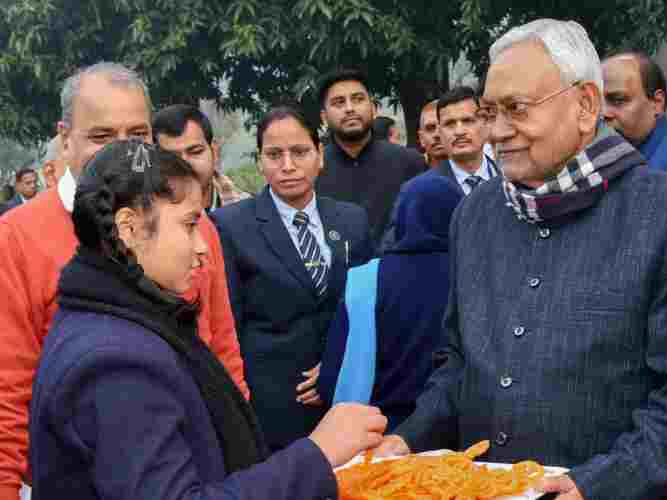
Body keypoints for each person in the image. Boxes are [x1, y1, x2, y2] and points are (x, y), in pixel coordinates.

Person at [376, 18, 667, 500]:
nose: (496, 132)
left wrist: (596, 484)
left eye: (516, 109)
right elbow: (458, 364)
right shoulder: (475, 215)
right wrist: (407, 439)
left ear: (585, 106)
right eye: (489, 111)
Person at [29, 139, 387, 500]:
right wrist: (318, 454)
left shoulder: (127, 323)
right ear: (130, 229)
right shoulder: (114, 362)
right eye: (188, 225)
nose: (202, 246)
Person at [0, 62, 248, 500]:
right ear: (64, 136)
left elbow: (222, 351)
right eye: (101, 136)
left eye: (137, 135)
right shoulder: (16, 238)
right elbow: (9, 393)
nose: (122, 151)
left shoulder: (195, 228)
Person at [211, 105, 374, 452]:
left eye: (299, 152)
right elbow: (230, 325)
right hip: (273, 403)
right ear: (259, 161)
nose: (287, 166)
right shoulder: (231, 226)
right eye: (274, 154)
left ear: (320, 156)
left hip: (345, 393)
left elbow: (364, 311)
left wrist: (333, 365)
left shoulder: (351, 221)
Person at [318, 174, 463, 431]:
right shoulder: (473, 276)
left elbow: (334, 377)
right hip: (461, 429)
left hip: (384, 433)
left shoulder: (365, 280)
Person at [315, 68, 427, 246]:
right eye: (339, 102)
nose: (349, 109)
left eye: (358, 99)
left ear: (374, 109)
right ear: (324, 117)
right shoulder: (313, 170)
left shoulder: (410, 163)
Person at [602, 51, 667, 172]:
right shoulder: (606, 160)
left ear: (657, 103)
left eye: (618, 100)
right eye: (599, 103)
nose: (603, 113)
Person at [153, 104, 249, 212]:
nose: (185, 163)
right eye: (172, 157)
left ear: (214, 152)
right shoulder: (144, 216)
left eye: (195, 152)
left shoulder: (249, 210)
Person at [427, 86, 498, 195]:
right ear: (440, 132)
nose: (459, 131)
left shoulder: (513, 179)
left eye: (468, 121)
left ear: (485, 124)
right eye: (449, 123)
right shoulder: (423, 191)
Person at [417, 100, 449, 168]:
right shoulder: (408, 174)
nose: (437, 134)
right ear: (421, 138)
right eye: (430, 128)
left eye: (445, 125)